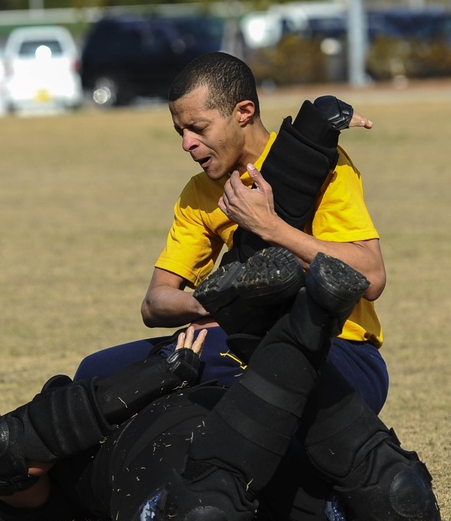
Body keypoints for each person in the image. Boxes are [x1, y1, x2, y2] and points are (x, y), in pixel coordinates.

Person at [0, 248, 440, 521]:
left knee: (198, 519)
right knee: (391, 506)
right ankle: (288, 330)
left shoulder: (86, 433)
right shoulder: (93, 410)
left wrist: (161, 373)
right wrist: (161, 373)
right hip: (256, 432)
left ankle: (283, 332)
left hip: (208, 433)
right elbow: (4, 455)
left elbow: (4, 452)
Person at [75, 52, 389, 414]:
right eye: (181, 132)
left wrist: (269, 227)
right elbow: (154, 303)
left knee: (240, 384)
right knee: (94, 373)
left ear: (243, 112)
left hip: (343, 351)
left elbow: (371, 277)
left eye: (198, 128)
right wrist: (219, 301)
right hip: (238, 339)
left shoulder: (325, 166)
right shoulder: (199, 194)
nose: (186, 144)